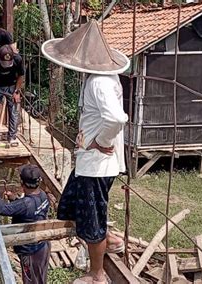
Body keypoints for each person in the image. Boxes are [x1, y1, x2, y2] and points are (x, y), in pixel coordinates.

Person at [41, 19, 130, 284]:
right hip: (91, 162)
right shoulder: (101, 78)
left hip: (96, 164)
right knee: (72, 205)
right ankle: (111, 240)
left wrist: (102, 141)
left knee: (91, 221)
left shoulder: (98, 83)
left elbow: (116, 118)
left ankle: (97, 274)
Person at [0, 164, 50, 284]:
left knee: (31, 280)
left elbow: (1, 209)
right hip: (42, 245)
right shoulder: (43, 195)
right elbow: (30, 211)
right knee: (39, 277)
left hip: (30, 251)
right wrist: (14, 200)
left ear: (22, 184)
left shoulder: (25, 204)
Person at [0, 44, 24, 147]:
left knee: (14, 111)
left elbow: (21, 76)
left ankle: (12, 137)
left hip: (12, 86)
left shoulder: (18, 60)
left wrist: (17, 91)